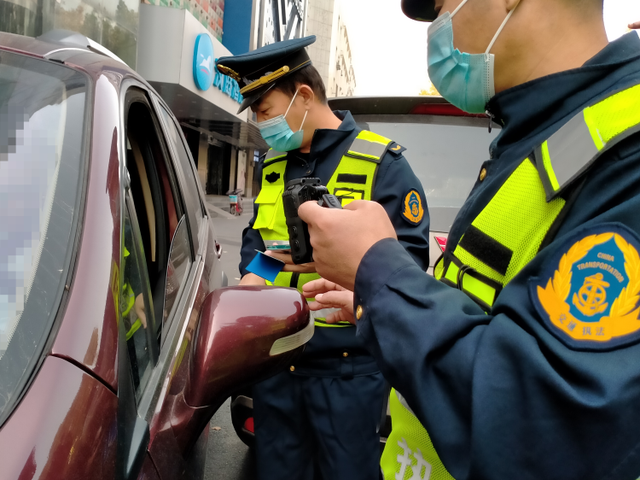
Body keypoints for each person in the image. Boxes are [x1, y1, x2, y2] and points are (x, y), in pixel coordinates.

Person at [299, 0, 640, 478]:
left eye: (440, 7)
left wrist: (382, 274)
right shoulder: (540, 132)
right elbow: (490, 308)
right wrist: (378, 295)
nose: (436, 29)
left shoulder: (627, 152)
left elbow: (546, 429)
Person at [215, 37, 430, 480]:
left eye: (266, 110)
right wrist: (245, 296)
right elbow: (261, 251)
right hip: (278, 365)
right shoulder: (273, 167)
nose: (261, 123)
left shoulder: (382, 163)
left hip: (348, 373)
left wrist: (350, 285)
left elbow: (408, 262)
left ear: (304, 96)